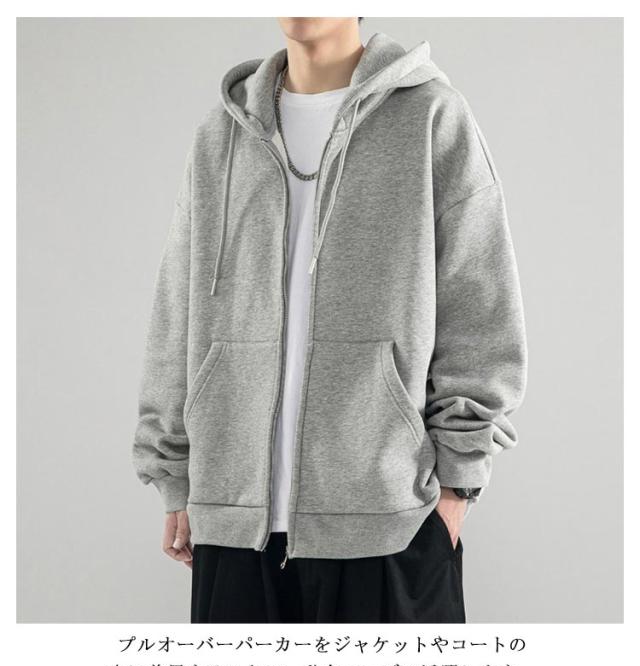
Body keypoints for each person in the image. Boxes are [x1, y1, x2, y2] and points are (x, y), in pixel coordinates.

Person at [132, 17, 527, 623]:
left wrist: (457, 487)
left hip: (390, 521)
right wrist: (176, 475)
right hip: (232, 523)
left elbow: (481, 306)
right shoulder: (222, 135)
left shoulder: (431, 116)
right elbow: (176, 310)